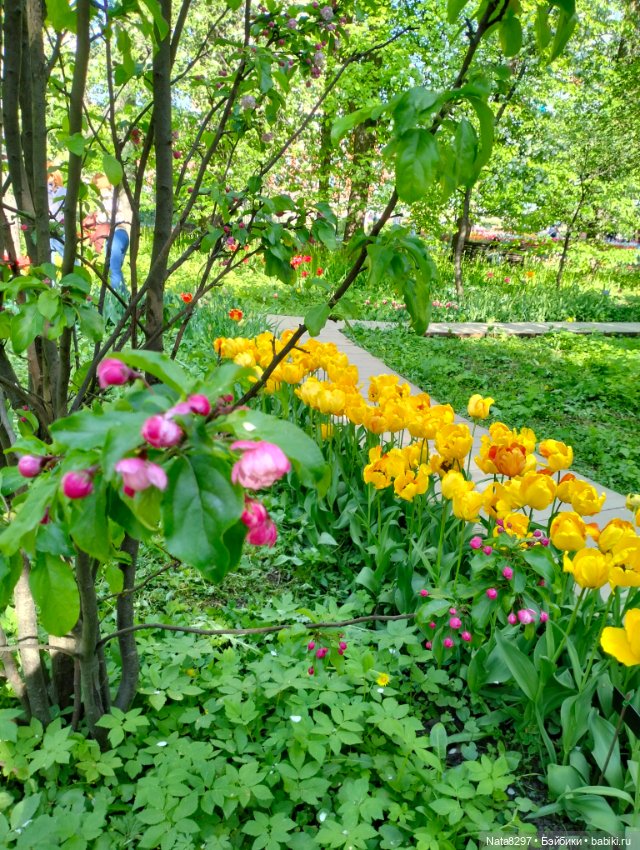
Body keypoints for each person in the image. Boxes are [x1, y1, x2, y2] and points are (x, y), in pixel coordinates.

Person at [83, 173, 132, 297]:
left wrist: (95, 218)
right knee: (117, 269)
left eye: (96, 184)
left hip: (115, 234)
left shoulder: (106, 195)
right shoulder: (117, 195)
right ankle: (126, 298)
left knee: (113, 269)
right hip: (123, 234)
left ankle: (115, 297)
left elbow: (104, 216)